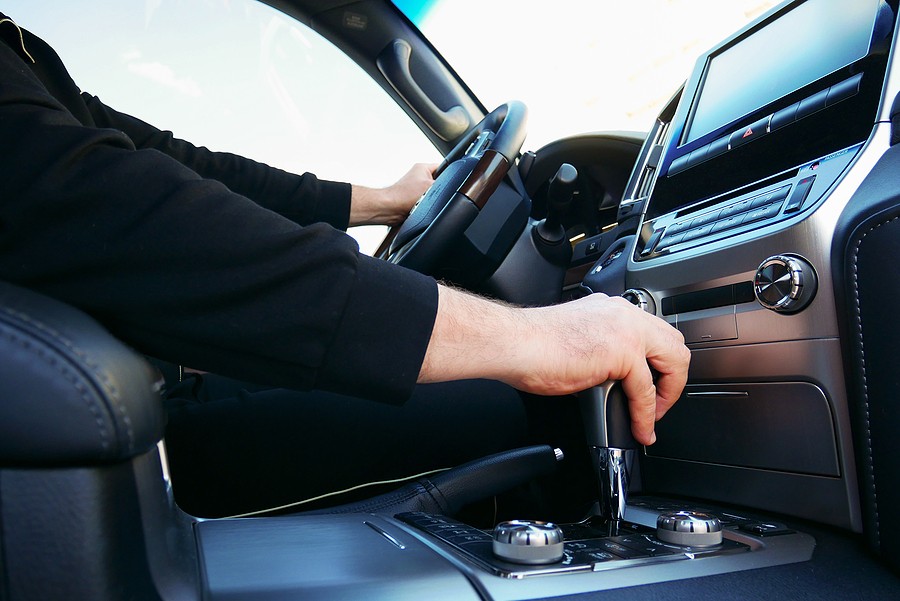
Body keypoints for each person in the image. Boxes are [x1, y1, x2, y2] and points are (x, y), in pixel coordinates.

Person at [0, 15, 690, 516]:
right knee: (509, 406)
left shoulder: (19, 48)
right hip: (115, 460)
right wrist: (540, 336)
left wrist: (379, 201)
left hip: (136, 409)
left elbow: (174, 168)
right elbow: (131, 215)